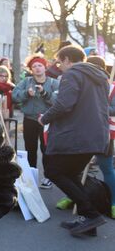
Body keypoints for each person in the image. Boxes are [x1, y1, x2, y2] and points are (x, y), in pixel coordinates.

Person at [39, 45, 109, 236]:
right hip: (95, 135)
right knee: (71, 174)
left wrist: (44, 117)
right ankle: (89, 222)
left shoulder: (72, 74)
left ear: (68, 59)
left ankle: (91, 214)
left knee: (53, 171)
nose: (59, 66)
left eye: (60, 62)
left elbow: (64, 104)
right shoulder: (100, 76)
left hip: (77, 135)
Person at [12, 54, 59, 189]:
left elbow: (58, 101)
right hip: (30, 120)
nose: (37, 68)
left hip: (47, 121)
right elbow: (15, 96)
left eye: (40, 65)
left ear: (45, 67)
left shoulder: (54, 82)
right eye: (34, 66)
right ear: (31, 69)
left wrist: (44, 93)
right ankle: (31, 175)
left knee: (47, 150)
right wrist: (27, 93)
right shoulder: (26, 82)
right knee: (30, 149)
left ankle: (48, 177)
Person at [86, 56, 115, 218]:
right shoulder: (83, 84)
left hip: (103, 133)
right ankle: (74, 198)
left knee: (106, 168)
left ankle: (113, 202)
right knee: (76, 169)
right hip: (82, 131)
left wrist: (100, 105)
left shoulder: (112, 87)